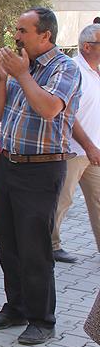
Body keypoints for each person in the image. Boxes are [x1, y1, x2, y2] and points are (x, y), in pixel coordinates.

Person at [0, 7, 82, 345]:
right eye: (17, 29)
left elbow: (50, 108)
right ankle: (16, 307)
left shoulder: (64, 68)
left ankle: (43, 319)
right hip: (10, 164)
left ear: (45, 35)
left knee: (34, 246)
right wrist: (1, 79)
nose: (16, 37)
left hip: (42, 168)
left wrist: (23, 75)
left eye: (23, 31)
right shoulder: (18, 69)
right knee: (7, 240)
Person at [51, 23, 100, 263]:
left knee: (98, 201)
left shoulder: (95, 72)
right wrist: (89, 146)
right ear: (88, 46)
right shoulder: (75, 69)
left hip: (94, 152)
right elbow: (69, 115)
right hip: (74, 150)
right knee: (63, 199)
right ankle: (51, 245)